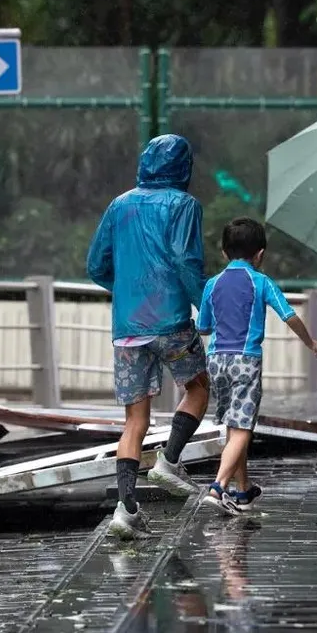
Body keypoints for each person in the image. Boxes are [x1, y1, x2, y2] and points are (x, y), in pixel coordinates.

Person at [86, 134, 211, 541]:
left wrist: (126, 293)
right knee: (197, 387)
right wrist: (203, 305)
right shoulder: (184, 205)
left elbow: (96, 265)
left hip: (127, 330)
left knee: (134, 421)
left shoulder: (119, 204)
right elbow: (186, 259)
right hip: (172, 321)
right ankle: (169, 461)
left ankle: (125, 510)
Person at [196, 218, 317, 515]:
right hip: (246, 361)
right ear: (260, 254)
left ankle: (244, 491)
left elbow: (203, 327)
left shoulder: (211, 285)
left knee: (233, 426)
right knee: (242, 428)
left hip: (216, 361)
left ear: (224, 252)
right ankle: (218, 486)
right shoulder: (261, 282)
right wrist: (310, 342)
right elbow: (288, 315)